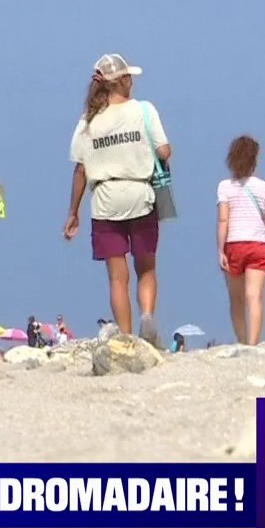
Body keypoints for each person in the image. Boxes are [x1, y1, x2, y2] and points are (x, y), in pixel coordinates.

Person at [65, 54, 172, 348]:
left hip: (105, 199)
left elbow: (80, 170)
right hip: (140, 194)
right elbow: (164, 151)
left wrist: (73, 212)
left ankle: (126, 338)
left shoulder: (88, 121)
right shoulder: (144, 110)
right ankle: (147, 316)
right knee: (146, 267)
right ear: (122, 81)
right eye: (130, 77)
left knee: (117, 277)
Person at [216, 135, 265, 345]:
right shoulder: (264, 187)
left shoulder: (225, 187)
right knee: (254, 297)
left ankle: (241, 340)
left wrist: (220, 250)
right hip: (258, 245)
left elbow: (223, 220)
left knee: (236, 299)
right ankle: (253, 342)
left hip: (234, 244)